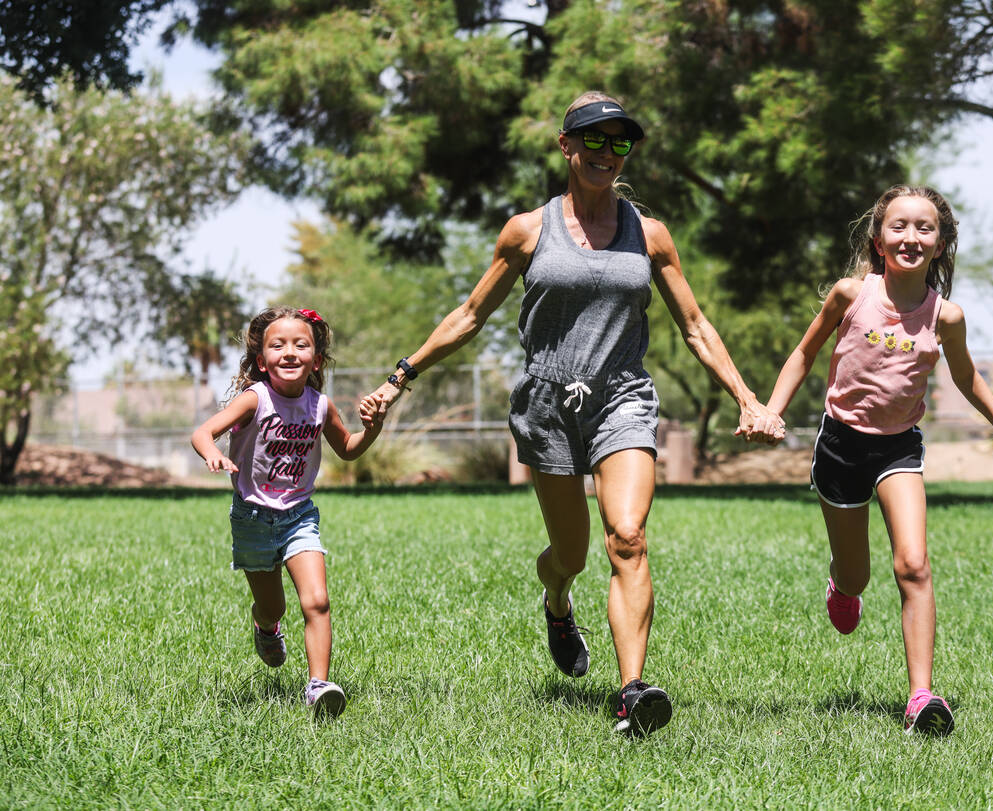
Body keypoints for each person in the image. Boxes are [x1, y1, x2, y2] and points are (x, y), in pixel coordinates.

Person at [362, 91, 783, 737]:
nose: (606, 153)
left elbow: (695, 324)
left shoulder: (652, 234)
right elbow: (470, 316)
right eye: (593, 139)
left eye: (620, 142)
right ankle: (557, 601)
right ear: (566, 146)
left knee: (628, 535)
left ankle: (632, 691)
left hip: (622, 396)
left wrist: (746, 396)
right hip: (548, 403)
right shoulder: (528, 230)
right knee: (571, 553)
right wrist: (400, 377)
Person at [751, 185, 993, 736]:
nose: (911, 237)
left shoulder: (945, 316)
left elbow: (967, 376)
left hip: (899, 446)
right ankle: (842, 585)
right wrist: (771, 411)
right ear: (879, 240)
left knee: (914, 564)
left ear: (941, 242)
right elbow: (805, 353)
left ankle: (921, 696)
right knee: (857, 576)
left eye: (925, 228)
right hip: (840, 444)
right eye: (899, 226)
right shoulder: (851, 294)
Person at [191, 306, 386, 719]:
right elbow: (203, 432)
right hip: (253, 519)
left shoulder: (320, 406)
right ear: (262, 361)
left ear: (316, 359)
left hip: (299, 515)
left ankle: (318, 686)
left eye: (301, 344)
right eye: (277, 345)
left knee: (317, 601)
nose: (290, 352)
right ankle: (266, 627)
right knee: (273, 607)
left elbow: (348, 450)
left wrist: (372, 428)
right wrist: (212, 455)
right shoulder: (254, 399)